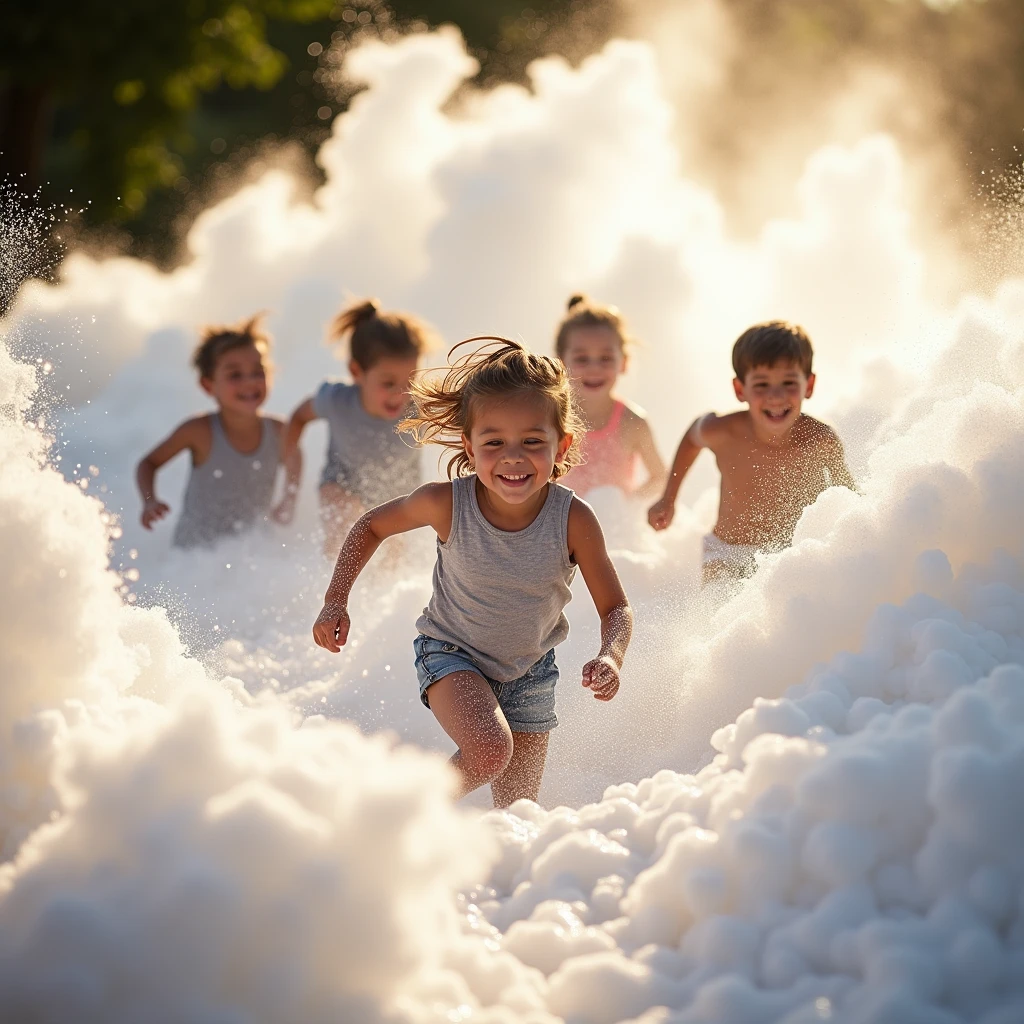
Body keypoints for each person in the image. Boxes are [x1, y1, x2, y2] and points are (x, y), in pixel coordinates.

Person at [312, 338, 633, 808]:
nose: (513, 457)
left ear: (561, 444)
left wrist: (612, 656)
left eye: (532, 442)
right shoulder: (446, 503)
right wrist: (336, 599)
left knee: (517, 810)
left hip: (531, 671)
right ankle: (403, 816)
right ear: (469, 445)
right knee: (488, 751)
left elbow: (615, 606)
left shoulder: (574, 520)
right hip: (452, 652)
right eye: (494, 442)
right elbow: (371, 525)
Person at [648, 320, 856, 583]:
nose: (776, 396)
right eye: (761, 385)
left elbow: (847, 495)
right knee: (718, 607)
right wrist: (668, 498)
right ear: (739, 389)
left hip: (792, 556)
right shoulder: (723, 431)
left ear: (810, 384)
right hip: (728, 552)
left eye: (789, 382)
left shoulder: (820, 440)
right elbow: (692, 437)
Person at [276, 298, 434, 553]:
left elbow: (469, 427)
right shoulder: (337, 401)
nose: (401, 394)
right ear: (356, 371)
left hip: (399, 499)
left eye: (411, 380)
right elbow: (297, 418)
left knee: (393, 560)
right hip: (341, 484)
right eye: (388, 383)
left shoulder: (421, 409)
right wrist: (290, 483)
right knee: (343, 523)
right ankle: (330, 584)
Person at [136, 315, 288, 548]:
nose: (249, 382)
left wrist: (290, 498)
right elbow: (148, 463)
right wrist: (149, 501)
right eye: (235, 375)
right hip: (195, 557)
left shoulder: (279, 431)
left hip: (253, 554)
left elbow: (296, 458)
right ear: (208, 385)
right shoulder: (199, 431)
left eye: (258, 372)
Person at [555, 294, 665, 499]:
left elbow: (660, 478)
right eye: (582, 358)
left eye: (605, 358)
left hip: (613, 528)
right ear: (561, 363)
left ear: (623, 363)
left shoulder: (632, 422)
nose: (594, 368)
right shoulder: (551, 419)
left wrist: (627, 506)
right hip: (562, 526)